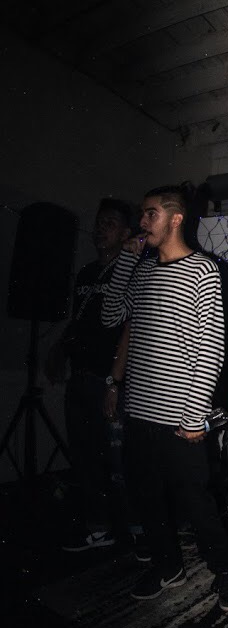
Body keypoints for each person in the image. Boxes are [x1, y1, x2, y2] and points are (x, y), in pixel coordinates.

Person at [102, 184, 228, 612]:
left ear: (175, 218)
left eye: (150, 215)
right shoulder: (142, 269)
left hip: (180, 417)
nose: (142, 223)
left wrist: (194, 416)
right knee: (147, 498)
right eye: (142, 216)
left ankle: (225, 572)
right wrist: (126, 260)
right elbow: (111, 316)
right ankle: (168, 567)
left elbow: (210, 349)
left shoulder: (204, 270)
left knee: (197, 503)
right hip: (139, 413)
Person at [47, 198, 146, 556]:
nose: (100, 230)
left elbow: (129, 328)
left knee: (121, 460)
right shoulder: (87, 273)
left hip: (112, 381)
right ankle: (98, 528)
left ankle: (139, 531)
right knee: (85, 455)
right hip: (81, 376)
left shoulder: (131, 271)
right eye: (99, 223)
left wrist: (114, 382)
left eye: (109, 224)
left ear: (125, 233)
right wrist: (60, 349)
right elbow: (81, 321)